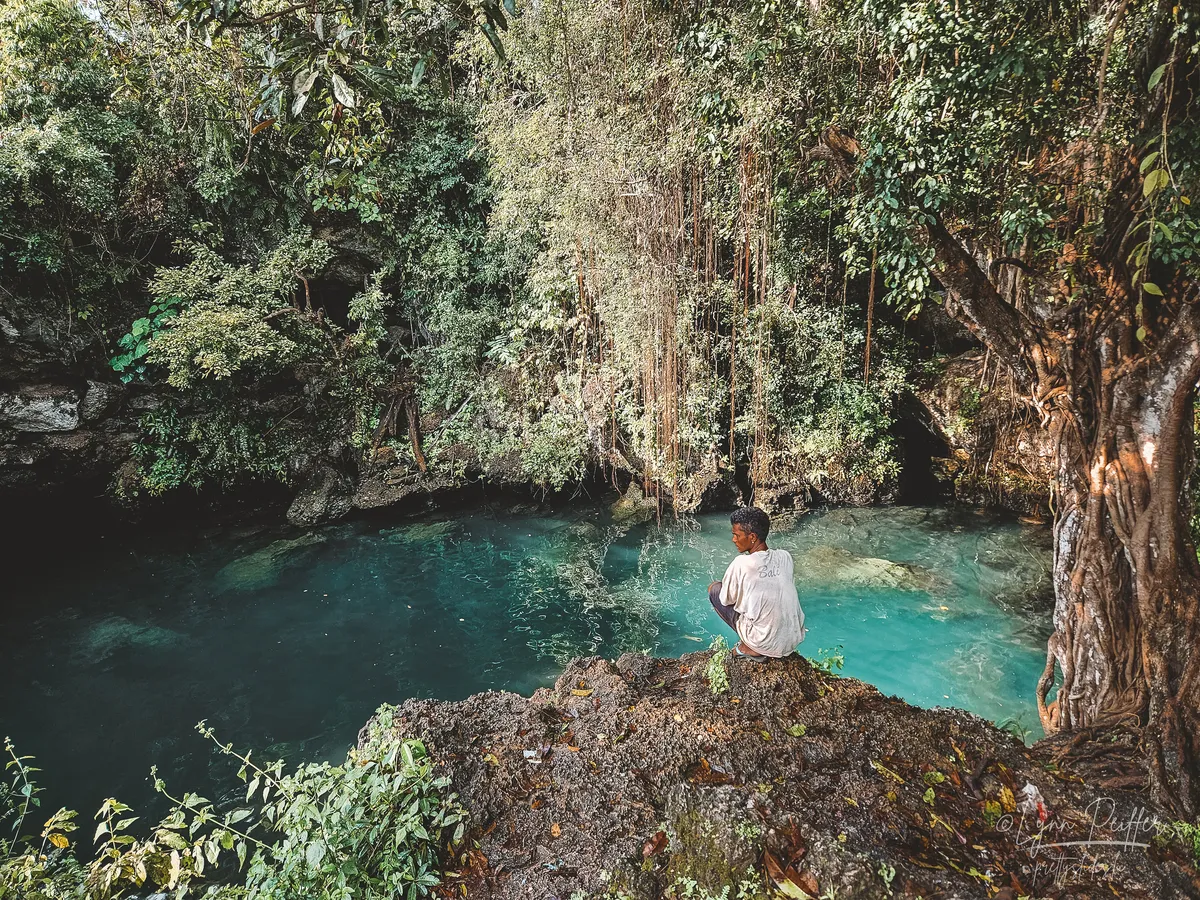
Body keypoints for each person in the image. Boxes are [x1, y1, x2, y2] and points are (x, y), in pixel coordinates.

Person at [708, 507, 806, 661]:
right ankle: (765, 639)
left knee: (714, 589)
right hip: (792, 640)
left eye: (736, 535)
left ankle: (750, 646)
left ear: (752, 537)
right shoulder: (785, 557)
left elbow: (726, 600)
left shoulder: (741, 563)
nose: (733, 540)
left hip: (763, 641)